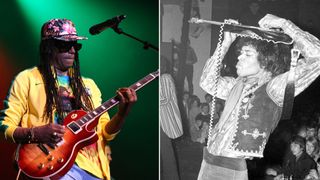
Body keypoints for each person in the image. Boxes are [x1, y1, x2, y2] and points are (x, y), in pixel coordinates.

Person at [0, 19, 137, 180]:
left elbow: (104, 133)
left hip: (94, 170)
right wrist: (36, 133)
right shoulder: (27, 79)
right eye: (66, 45)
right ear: (49, 47)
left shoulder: (89, 85)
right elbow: (5, 126)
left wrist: (122, 113)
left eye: (76, 45)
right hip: (51, 164)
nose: (72, 50)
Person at [197, 14, 320, 180]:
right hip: (209, 161)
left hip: (232, 168)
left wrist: (285, 24)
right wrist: (225, 44)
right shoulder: (237, 85)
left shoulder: (274, 87)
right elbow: (207, 82)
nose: (239, 57)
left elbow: (317, 57)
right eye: (240, 52)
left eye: (247, 54)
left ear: (265, 60)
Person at [160, 57, 183, 180]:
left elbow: (165, 98)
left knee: (166, 152)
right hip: (162, 120)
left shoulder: (165, 77)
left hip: (163, 120)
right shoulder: (164, 78)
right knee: (164, 153)